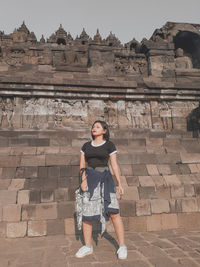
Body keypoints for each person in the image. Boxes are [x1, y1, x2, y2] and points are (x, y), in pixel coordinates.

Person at [75, 120, 127, 259]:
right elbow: (82, 164)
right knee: (87, 215)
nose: (94, 128)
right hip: (90, 180)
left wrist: (119, 183)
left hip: (106, 180)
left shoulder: (109, 145)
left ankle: (122, 246)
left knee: (114, 212)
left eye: (97, 127)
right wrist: (83, 181)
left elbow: (114, 165)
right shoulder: (86, 146)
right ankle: (87, 246)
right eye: (93, 127)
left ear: (104, 130)